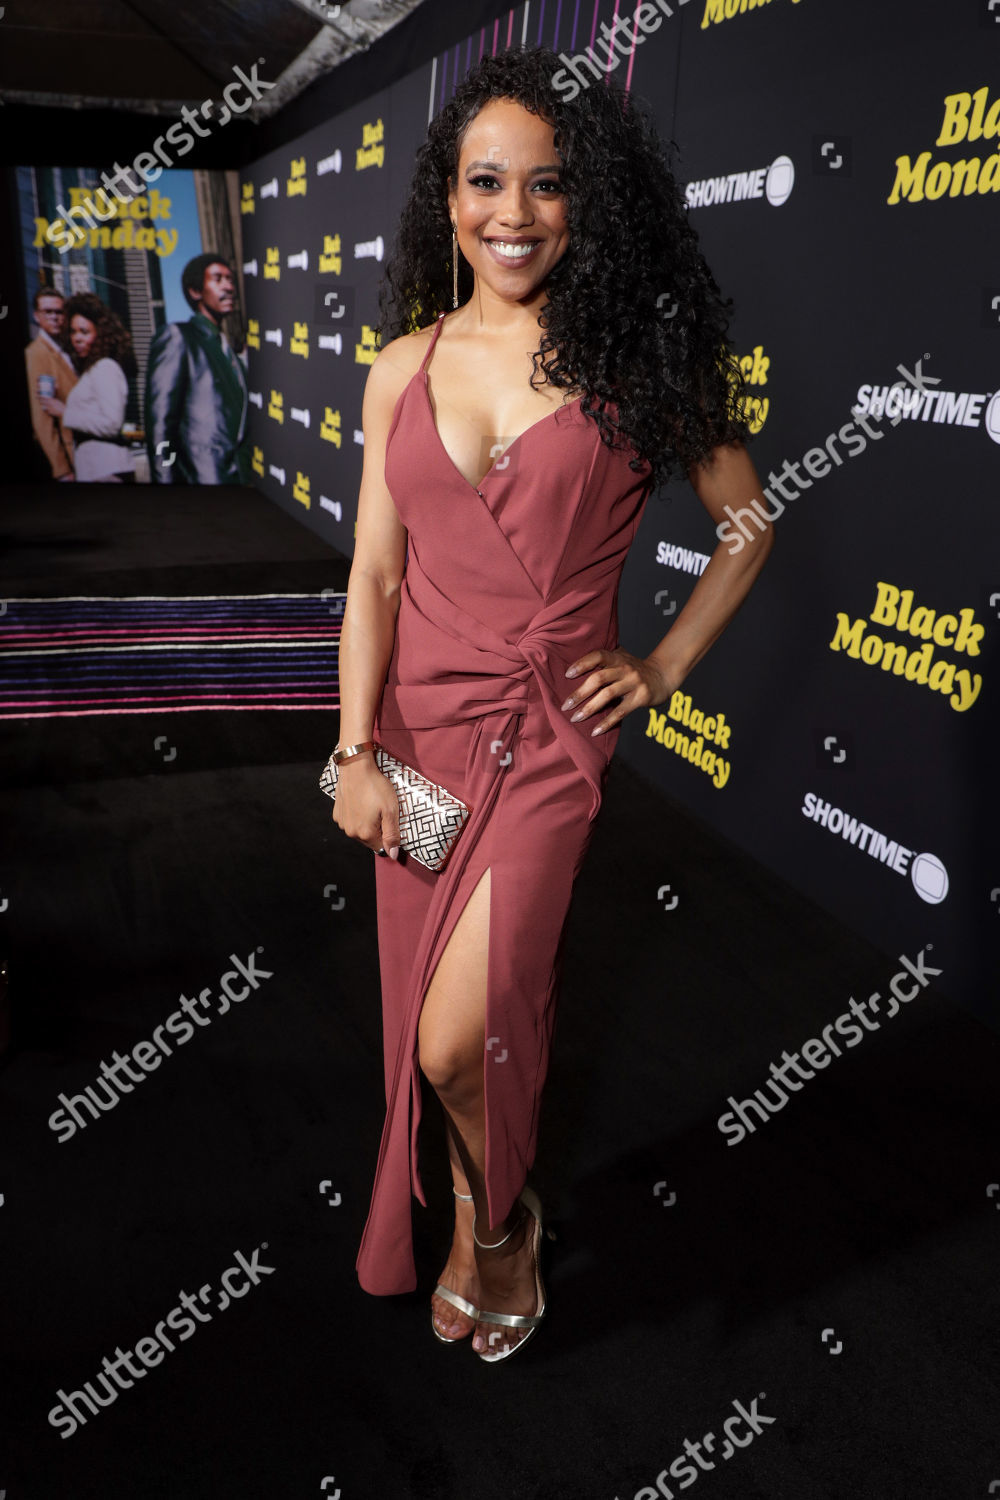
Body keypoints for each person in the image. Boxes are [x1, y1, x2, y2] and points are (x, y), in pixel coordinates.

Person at [331, 45, 774, 1362]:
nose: (513, 213)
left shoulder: (639, 358)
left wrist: (664, 666)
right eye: (486, 182)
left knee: (460, 1038)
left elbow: (747, 522)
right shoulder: (401, 365)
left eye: (546, 183)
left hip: (546, 736)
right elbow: (374, 577)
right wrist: (351, 751)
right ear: (447, 197)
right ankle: (482, 1209)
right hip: (415, 733)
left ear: (590, 200)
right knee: (425, 1022)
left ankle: (501, 1222)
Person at [144, 254, 250, 485]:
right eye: (218, 279)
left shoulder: (231, 355)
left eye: (230, 280)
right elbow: (161, 428)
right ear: (195, 291)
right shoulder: (178, 337)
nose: (229, 287)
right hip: (201, 483)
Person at [38, 293, 135, 483]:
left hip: (106, 470)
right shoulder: (90, 371)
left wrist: (64, 412)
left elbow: (112, 424)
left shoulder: (105, 367)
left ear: (101, 334)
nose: (77, 339)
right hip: (95, 470)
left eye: (84, 332)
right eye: (73, 332)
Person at [24, 287, 78, 480]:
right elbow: (42, 419)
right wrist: (62, 470)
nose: (54, 317)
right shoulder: (37, 353)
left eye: (59, 312)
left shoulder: (66, 349)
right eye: (48, 312)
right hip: (66, 459)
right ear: (36, 316)